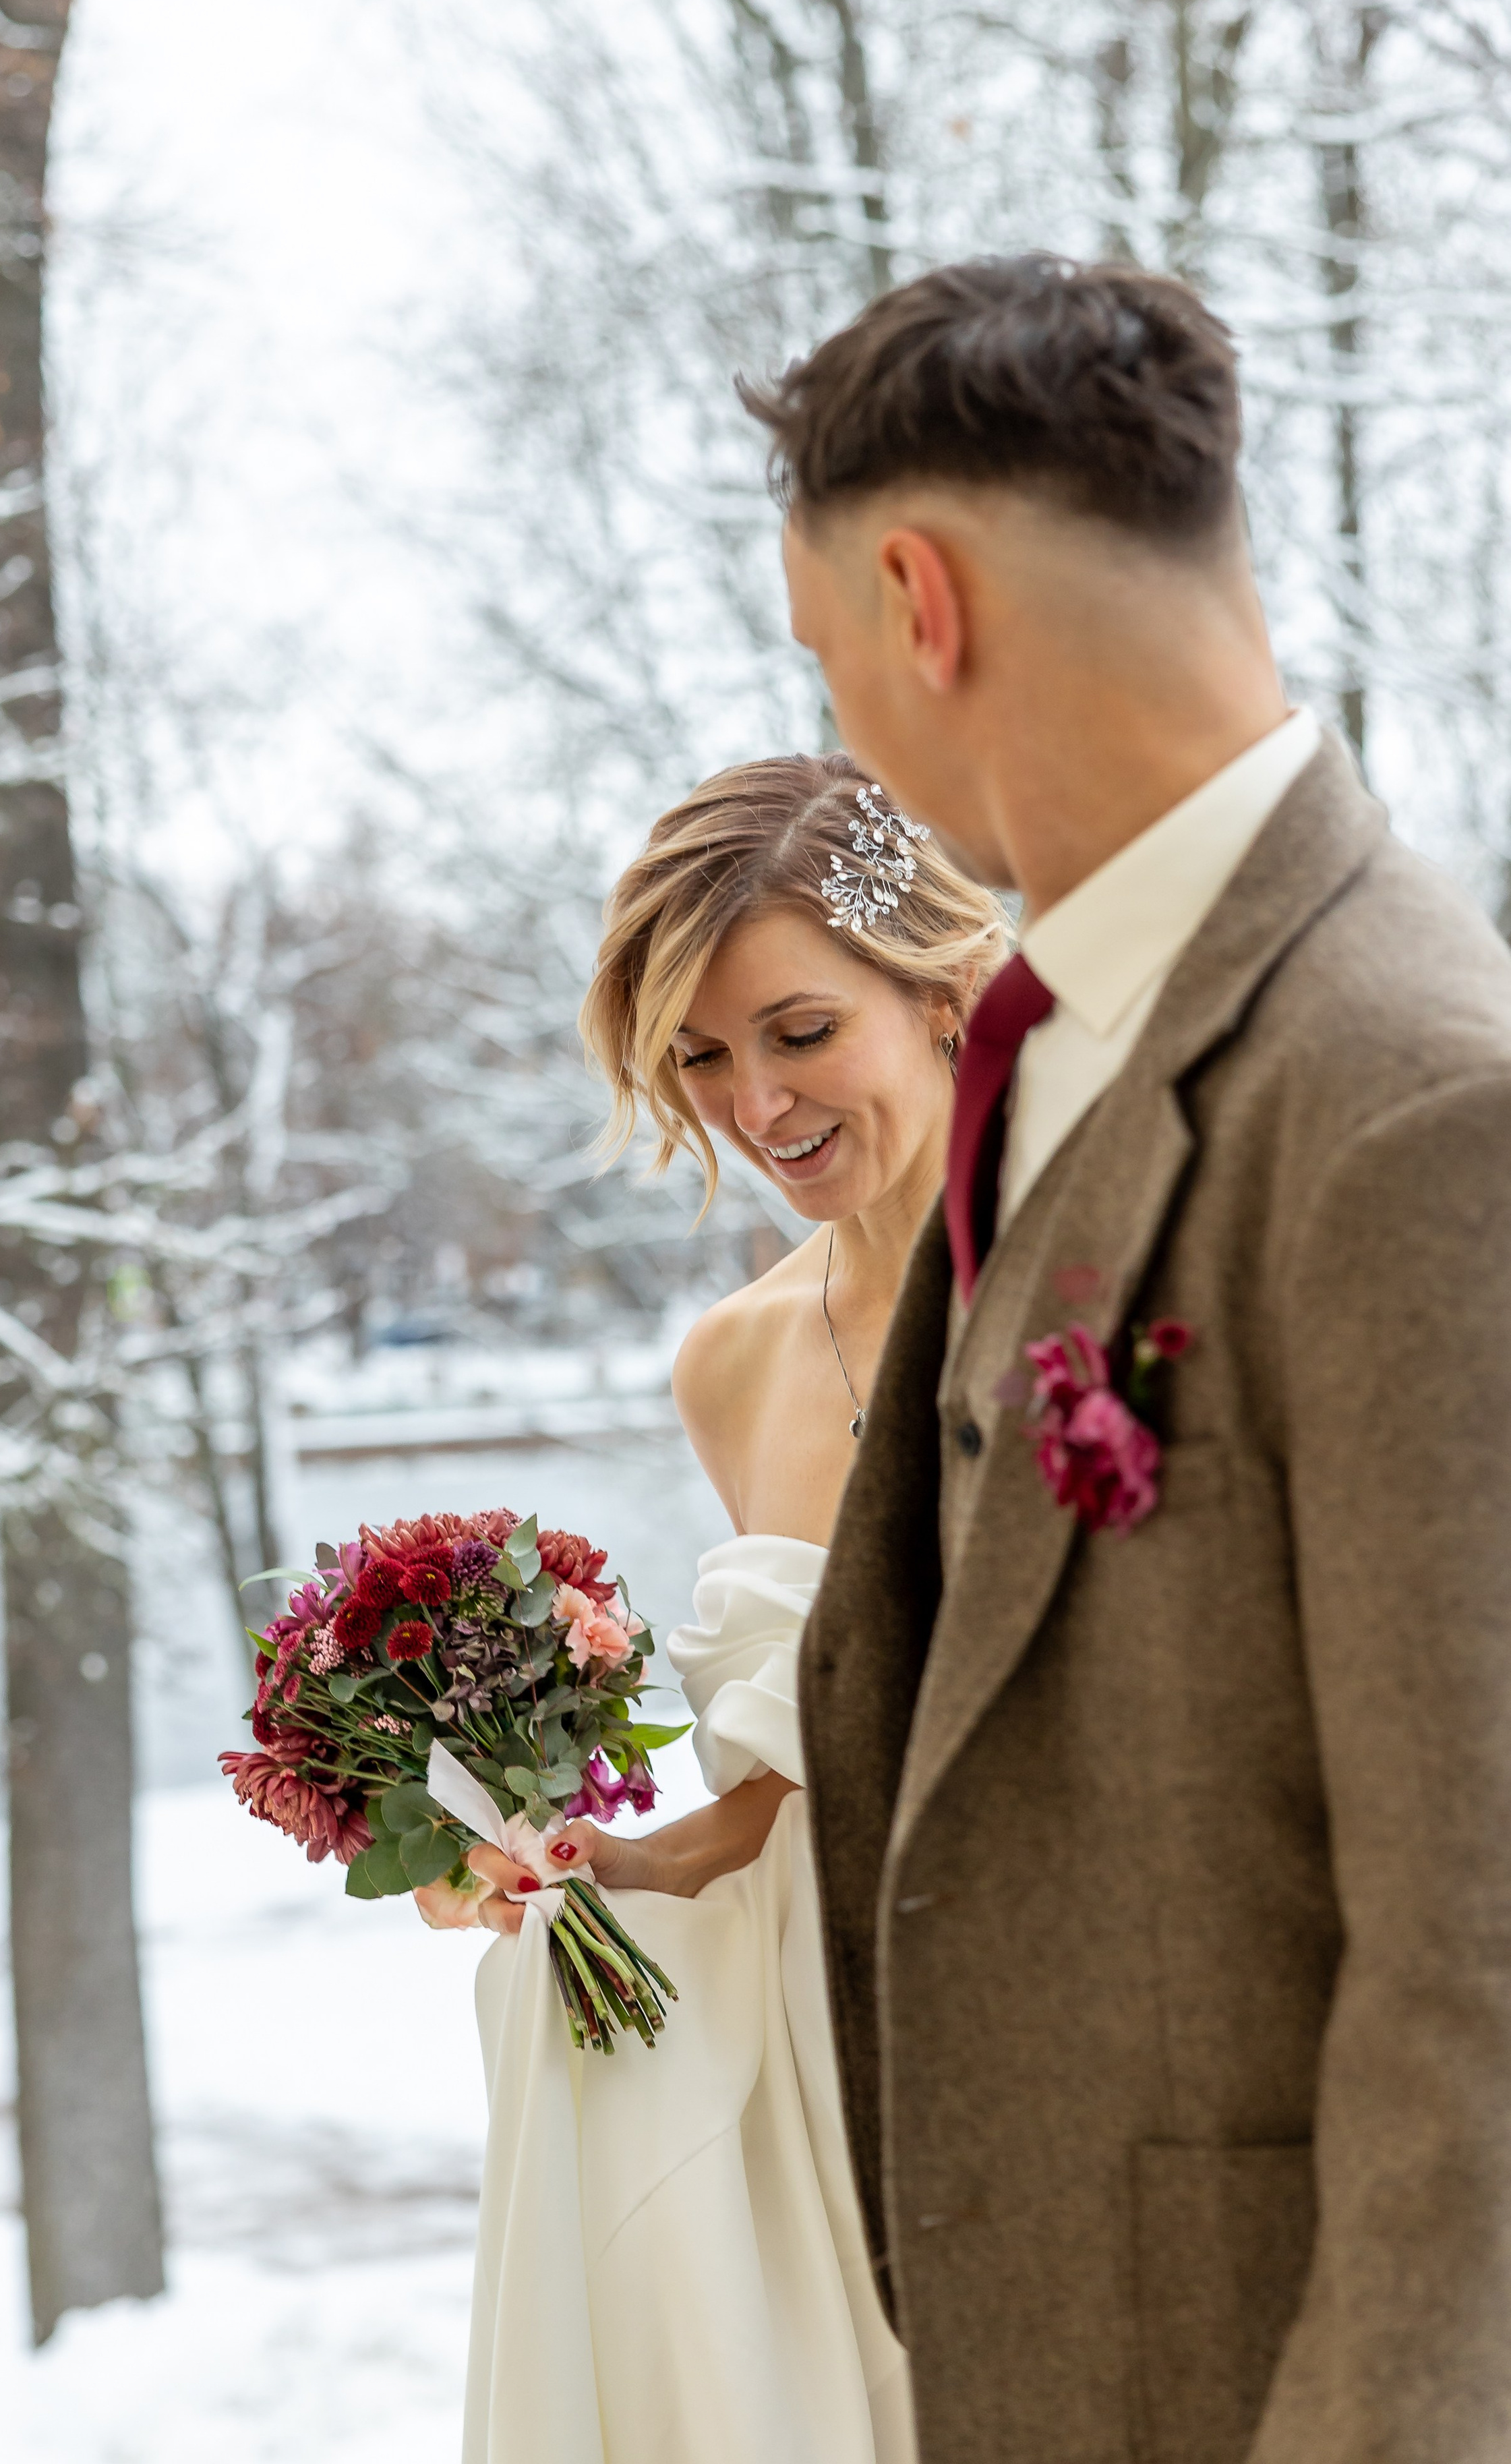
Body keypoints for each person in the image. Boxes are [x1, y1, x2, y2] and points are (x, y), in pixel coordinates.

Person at [734, 252, 1511, 2462]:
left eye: (824, 664)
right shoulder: (1056, 1038)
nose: (839, 736)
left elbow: (1485, 1963)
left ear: (922, 600)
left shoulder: (1416, 1103)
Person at [420, 751, 1004, 2464]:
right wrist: (618, 1866)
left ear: (937, 987)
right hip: (820, 2073)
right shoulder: (729, 1361)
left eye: (799, 1030)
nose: (756, 1106)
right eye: (699, 1058)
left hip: (1056, 2033)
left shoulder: (1097, 1263)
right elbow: (789, 1784)